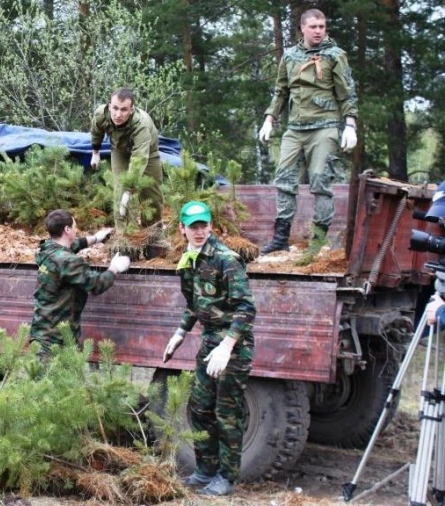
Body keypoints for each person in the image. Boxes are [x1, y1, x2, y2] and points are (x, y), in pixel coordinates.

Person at [163, 201, 256, 496]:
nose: (199, 231)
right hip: (209, 344)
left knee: (227, 412)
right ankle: (205, 471)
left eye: (204, 225)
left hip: (233, 346)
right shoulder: (190, 258)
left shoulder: (226, 259)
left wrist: (228, 346)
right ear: (183, 229)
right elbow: (196, 304)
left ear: (211, 226)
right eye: (193, 227)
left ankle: (227, 478)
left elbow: (246, 308)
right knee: (200, 408)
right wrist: (180, 332)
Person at [258, 8, 358, 257]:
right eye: (313, 26)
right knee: (284, 180)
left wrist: (350, 123)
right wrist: (270, 119)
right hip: (295, 128)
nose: (318, 31)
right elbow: (280, 90)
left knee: (320, 181)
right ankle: (280, 238)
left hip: (324, 127)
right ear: (302, 28)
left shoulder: (335, 55)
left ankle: (318, 241)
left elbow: (347, 91)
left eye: (322, 27)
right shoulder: (290, 56)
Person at [30, 209, 130, 357]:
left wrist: (96, 238)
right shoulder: (68, 261)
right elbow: (96, 284)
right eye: (75, 226)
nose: (77, 230)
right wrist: (115, 268)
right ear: (67, 229)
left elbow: (72, 245)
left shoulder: (46, 249)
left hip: (41, 334)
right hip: (57, 341)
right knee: (55, 379)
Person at [90, 88, 163, 228]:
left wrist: (129, 189)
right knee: (120, 194)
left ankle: (153, 238)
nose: (118, 114)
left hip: (147, 153)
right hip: (120, 151)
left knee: (151, 196)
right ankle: (126, 240)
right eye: (115, 108)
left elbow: (139, 158)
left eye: (124, 110)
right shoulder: (101, 114)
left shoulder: (141, 124)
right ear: (109, 106)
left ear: (131, 109)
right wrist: (95, 153)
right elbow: (96, 131)